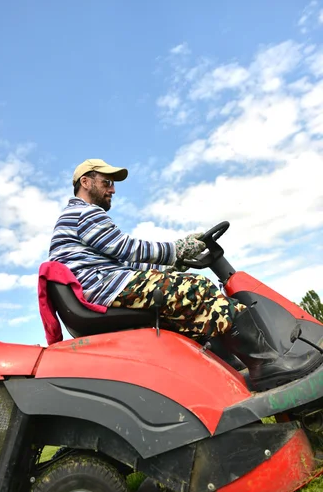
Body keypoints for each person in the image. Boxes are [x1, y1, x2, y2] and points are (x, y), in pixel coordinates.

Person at [48, 158, 322, 391]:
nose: (113, 189)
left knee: (194, 317)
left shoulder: (78, 219)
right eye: (107, 182)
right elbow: (126, 247)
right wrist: (177, 250)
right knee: (200, 289)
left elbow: (123, 261)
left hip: (105, 285)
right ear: (86, 182)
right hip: (106, 287)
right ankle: (267, 363)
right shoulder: (84, 213)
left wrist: (171, 265)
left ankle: (233, 370)